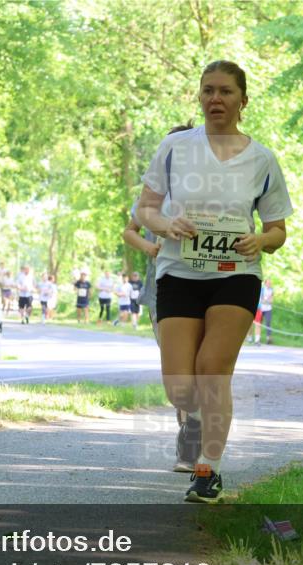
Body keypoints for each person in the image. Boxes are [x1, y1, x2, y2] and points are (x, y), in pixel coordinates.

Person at [136, 60, 291, 502]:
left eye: (225, 91)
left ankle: (208, 471)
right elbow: (144, 209)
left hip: (235, 275)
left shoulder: (262, 159)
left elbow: (278, 231)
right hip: (179, 273)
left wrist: (261, 239)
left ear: (243, 100)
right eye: (208, 91)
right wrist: (165, 225)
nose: (215, 99)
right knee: (181, 387)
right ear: (199, 97)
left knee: (213, 372)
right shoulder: (175, 148)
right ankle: (198, 419)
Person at [122, 134, 198, 472]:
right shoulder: (152, 194)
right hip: (160, 287)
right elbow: (130, 231)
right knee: (177, 366)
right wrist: (149, 248)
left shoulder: (204, 190)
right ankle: (186, 423)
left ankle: (193, 434)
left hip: (200, 283)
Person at [258, 278, 274, 345]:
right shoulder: (262, 289)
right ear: (265, 283)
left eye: (270, 283)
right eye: (268, 283)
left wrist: (268, 301)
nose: (269, 284)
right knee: (259, 323)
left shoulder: (271, 290)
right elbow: (261, 300)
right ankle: (258, 338)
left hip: (268, 309)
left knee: (268, 322)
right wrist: (266, 301)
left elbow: (271, 300)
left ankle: (268, 338)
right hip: (261, 308)